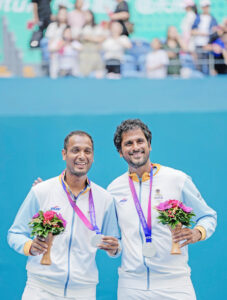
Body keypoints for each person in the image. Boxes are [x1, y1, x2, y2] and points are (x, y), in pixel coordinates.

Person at [107, 119, 217, 300]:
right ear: (120, 152)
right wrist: (114, 249)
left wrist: (198, 233)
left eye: (140, 141)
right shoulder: (114, 189)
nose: (135, 147)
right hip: (131, 287)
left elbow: (208, 216)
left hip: (175, 284)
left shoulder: (177, 179)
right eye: (128, 143)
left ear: (149, 145)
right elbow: (116, 241)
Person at [8, 130, 120, 300]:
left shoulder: (105, 198)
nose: (82, 156)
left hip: (83, 291)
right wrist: (29, 246)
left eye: (87, 151)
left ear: (93, 156)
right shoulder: (42, 191)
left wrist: (115, 249)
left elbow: (116, 243)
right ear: (64, 154)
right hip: (41, 289)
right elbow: (14, 233)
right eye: (75, 150)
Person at [191, 0, 218, 74]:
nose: (206, 8)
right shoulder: (197, 17)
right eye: (204, 7)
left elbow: (215, 33)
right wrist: (201, 33)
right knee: (199, 66)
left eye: (207, 6)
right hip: (198, 44)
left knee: (208, 66)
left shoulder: (213, 19)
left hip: (208, 45)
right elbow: (192, 31)